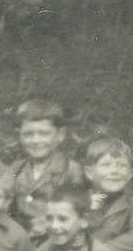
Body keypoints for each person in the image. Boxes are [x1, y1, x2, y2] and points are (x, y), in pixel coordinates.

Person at [7, 99, 83, 239]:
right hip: (19, 237)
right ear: (19, 135)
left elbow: (76, 212)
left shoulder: (70, 170)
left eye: (44, 133)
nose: (35, 140)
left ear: (60, 135)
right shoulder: (16, 168)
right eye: (28, 134)